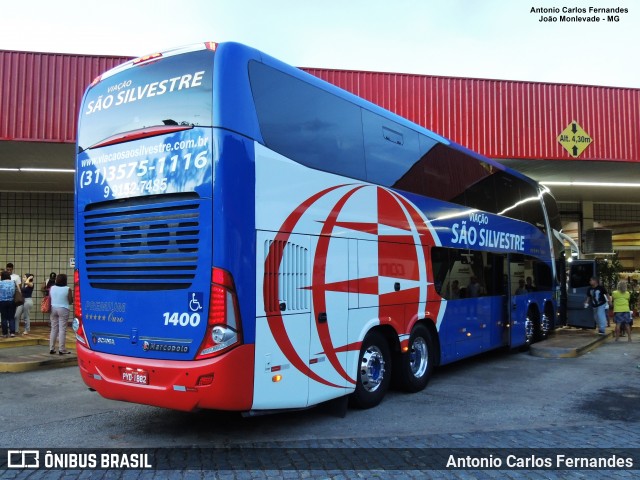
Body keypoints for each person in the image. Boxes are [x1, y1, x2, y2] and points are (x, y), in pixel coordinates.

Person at [49, 273, 73, 355]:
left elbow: (51, 297)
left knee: (54, 328)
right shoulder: (68, 289)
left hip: (53, 308)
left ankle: (51, 348)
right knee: (62, 329)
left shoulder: (52, 288)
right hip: (63, 308)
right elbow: (70, 301)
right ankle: (62, 349)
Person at [0, 271, 17, 337]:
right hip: (11, 301)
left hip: (2, 301)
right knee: (11, 317)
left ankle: (5, 333)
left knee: (4, 318)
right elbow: (17, 290)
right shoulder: (13, 282)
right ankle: (12, 332)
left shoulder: (0, 283)